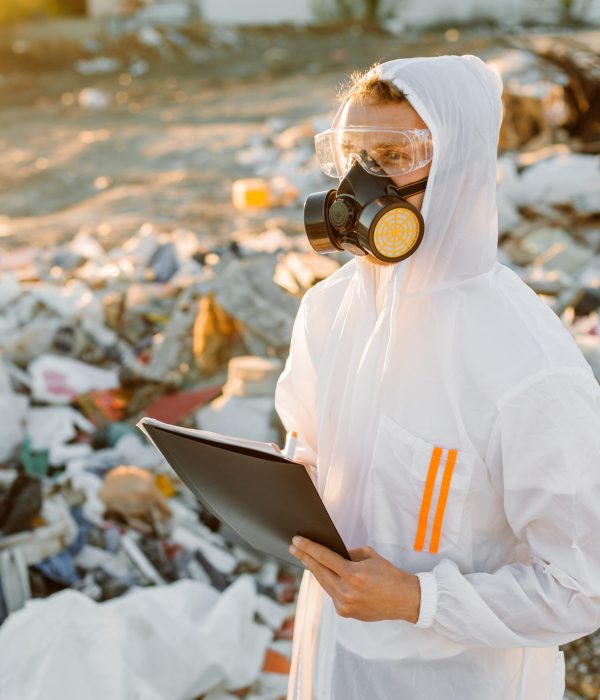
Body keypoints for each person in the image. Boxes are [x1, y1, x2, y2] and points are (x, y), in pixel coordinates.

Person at [274, 54, 600, 700]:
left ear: (460, 171)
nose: (364, 182)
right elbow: (307, 451)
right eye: (353, 156)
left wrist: (418, 598)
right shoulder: (329, 310)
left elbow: (583, 587)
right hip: (332, 666)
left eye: (396, 156)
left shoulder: (526, 364)